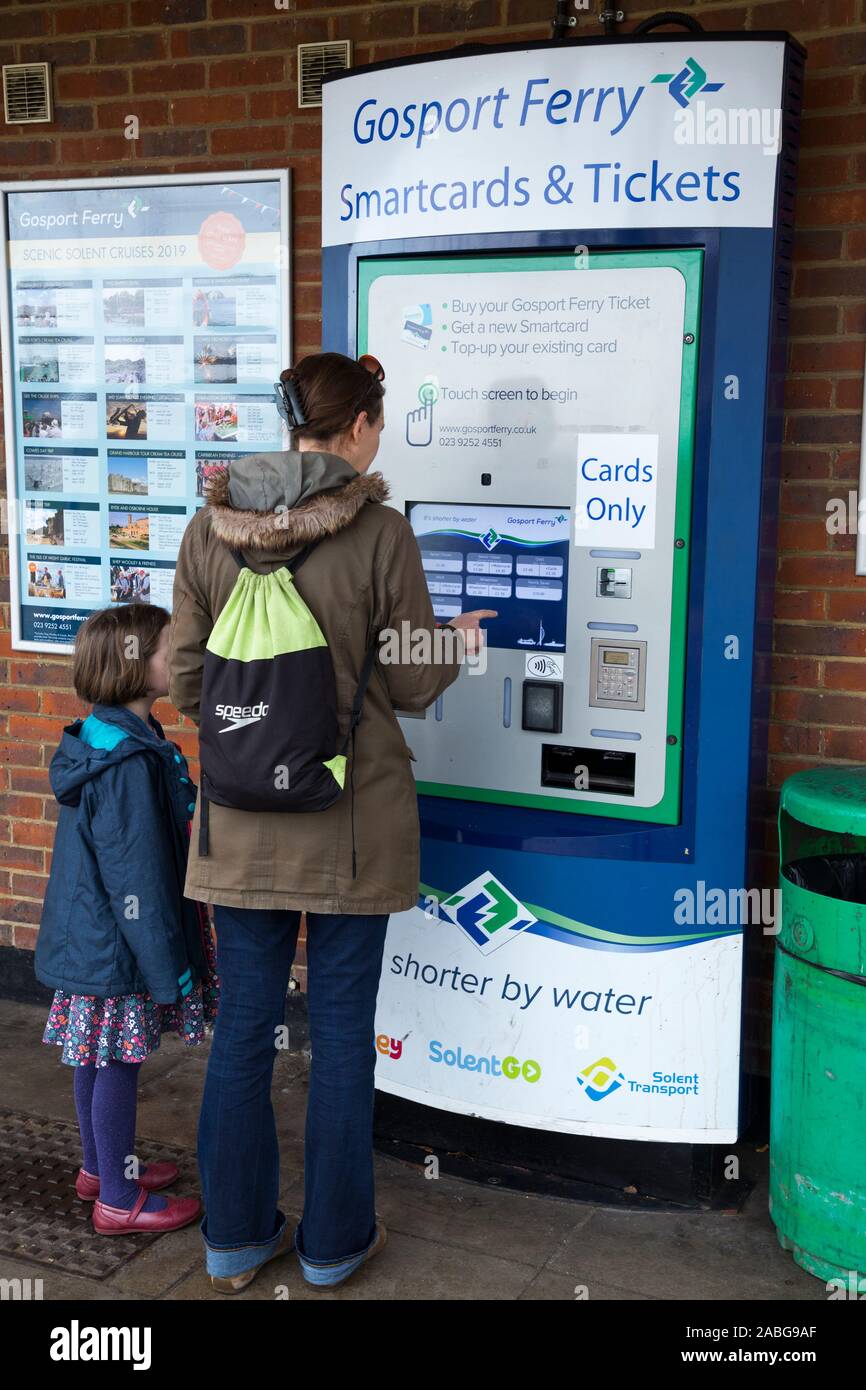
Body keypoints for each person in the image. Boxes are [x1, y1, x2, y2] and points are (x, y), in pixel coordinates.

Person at [169, 350, 494, 1293]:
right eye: (377, 422)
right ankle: (333, 1245)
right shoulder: (382, 531)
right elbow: (413, 677)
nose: (379, 437)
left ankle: (232, 1240)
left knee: (243, 1032)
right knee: (344, 1034)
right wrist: (461, 642)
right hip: (351, 828)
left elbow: (186, 678)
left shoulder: (209, 528)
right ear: (355, 428)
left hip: (236, 826)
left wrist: (256, 726)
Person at [35, 603, 220, 1234]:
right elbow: (136, 877)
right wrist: (168, 969)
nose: (181, 657)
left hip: (94, 938)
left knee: (95, 1055)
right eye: (171, 650)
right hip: (121, 947)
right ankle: (117, 1198)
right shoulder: (129, 765)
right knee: (117, 1059)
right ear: (136, 668)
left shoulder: (111, 737)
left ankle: (100, 1166)